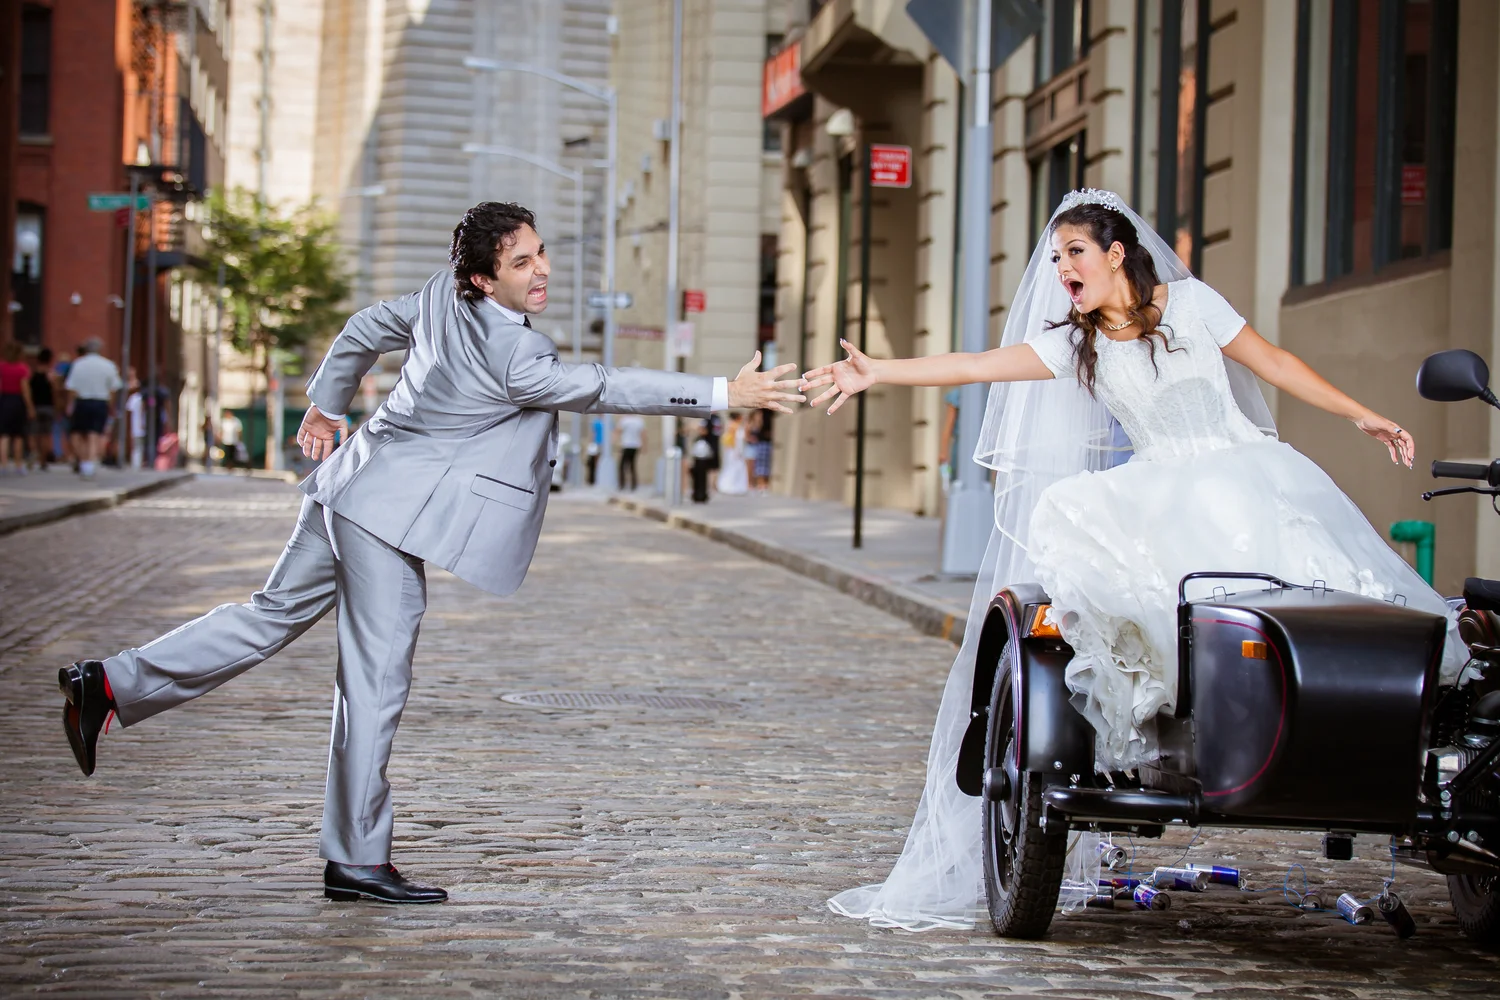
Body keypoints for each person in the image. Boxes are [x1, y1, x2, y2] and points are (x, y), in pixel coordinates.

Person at [56, 201, 804, 905]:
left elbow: (362, 326)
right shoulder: (518, 354)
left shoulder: (440, 297)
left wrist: (328, 405)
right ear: (483, 277)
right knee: (374, 682)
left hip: (348, 487)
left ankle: (109, 685)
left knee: (269, 614)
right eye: (521, 263)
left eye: (541, 254)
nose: (541, 270)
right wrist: (719, 392)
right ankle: (355, 858)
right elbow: (602, 384)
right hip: (385, 514)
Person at [802, 188, 1465, 931]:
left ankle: (1343, 733)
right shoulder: (1073, 343)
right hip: (1162, 492)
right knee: (1122, 563)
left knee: (1316, 603)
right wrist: (879, 372)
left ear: (1116, 253)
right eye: (1055, 260)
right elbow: (978, 363)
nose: (1062, 271)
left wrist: (1361, 413)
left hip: (1248, 473)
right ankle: (1197, 734)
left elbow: (1273, 361)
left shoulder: (1193, 305)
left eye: (1074, 253)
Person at [63, 338, 122, 479]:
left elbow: (71, 387)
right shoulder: (108, 365)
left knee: (77, 434)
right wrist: (110, 405)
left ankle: (85, 461)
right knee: (95, 433)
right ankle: (90, 462)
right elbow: (114, 388)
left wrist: (70, 404)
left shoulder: (78, 364)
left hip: (82, 402)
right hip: (101, 402)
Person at [0, 341, 34, 474]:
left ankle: (3, 465)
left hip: (4, 400)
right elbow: (25, 389)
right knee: (18, 435)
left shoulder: (1, 367)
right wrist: (30, 407)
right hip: (17, 401)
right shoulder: (22, 368)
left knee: (4, 435)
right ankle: (18, 464)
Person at [28, 348, 58, 469]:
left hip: (35, 407)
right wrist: (56, 406)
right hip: (48, 407)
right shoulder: (51, 374)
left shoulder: (32, 374)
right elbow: (55, 391)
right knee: (46, 434)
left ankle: (33, 452)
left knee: (33, 433)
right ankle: (43, 461)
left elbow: (28, 391)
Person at [715, 412, 749, 495]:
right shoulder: (734, 426)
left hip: (733, 450)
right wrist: (737, 451)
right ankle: (729, 486)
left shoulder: (732, 425)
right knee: (734, 468)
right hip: (734, 450)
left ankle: (735, 486)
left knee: (736, 468)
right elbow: (736, 440)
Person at [616, 413, 645, 491]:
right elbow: (643, 434)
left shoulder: (624, 420)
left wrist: (617, 442)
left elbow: (618, 431)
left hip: (626, 444)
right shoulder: (639, 420)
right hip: (635, 445)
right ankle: (633, 485)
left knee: (622, 466)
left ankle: (622, 484)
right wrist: (644, 446)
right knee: (632, 466)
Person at [689, 419, 715, 503]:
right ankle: (696, 494)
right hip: (697, 460)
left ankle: (702, 494)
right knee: (696, 478)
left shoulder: (708, 440)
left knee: (703, 478)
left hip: (704, 460)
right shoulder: (697, 439)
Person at [124, 371, 146, 469]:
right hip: (141, 426)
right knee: (139, 446)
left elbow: (129, 412)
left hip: (135, 426)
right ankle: (138, 463)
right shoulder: (141, 398)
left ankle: (136, 464)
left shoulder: (134, 398)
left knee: (136, 446)